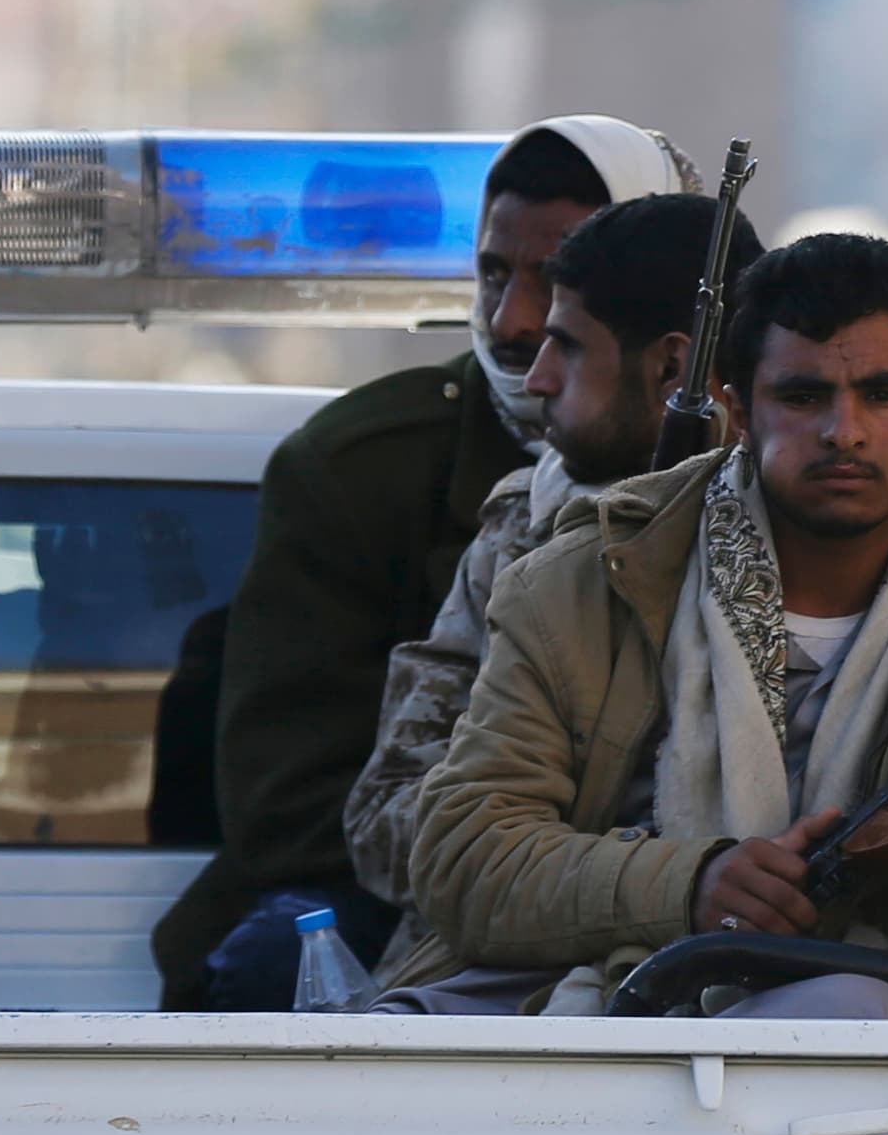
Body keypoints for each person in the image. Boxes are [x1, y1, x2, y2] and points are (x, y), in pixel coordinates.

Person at [391, 231, 888, 1015]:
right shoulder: (592, 581)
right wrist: (691, 884)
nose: (844, 431)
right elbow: (465, 856)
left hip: (884, 1061)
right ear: (739, 411)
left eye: (882, 395)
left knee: (858, 1006)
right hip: (602, 1025)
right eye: (804, 396)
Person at [150, 115, 696, 1009]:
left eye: (556, 282)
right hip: (413, 896)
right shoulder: (395, 481)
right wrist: (561, 867)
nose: (517, 322)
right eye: (492, 273)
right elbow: (303, 812)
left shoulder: (788, 499)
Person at [346, 190, 763, 934]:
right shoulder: (524, 537)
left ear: (675, 366)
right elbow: (390, 818)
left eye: (565, 345)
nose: (536, 377)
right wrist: (636, 869)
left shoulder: (817, 540)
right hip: (511, 980)